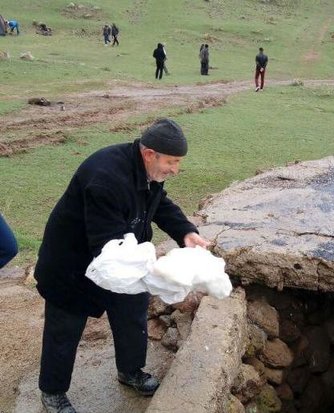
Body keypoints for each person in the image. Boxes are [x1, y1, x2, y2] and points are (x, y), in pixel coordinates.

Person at [34, 118, 210, 413]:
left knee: (132, 315)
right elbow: (110, 249)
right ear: (149, 153)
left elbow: (159, 203)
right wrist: (160, 271)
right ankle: (52, 391)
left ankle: (130, 371)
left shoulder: (147, 173)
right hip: (73, 265)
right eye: (172, 161)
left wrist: (185, 231)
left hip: (118, 256)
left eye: (179, 162)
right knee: (64, 330)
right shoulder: (105, 178)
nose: (175, 170)